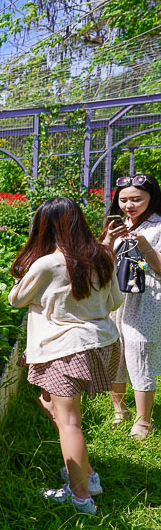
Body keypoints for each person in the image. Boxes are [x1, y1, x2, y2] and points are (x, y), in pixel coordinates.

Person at [9, 197, 123, 515]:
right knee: (48, 403)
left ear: (44, 228)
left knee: (69, 422)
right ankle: (86, 474)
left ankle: (82, 496)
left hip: (65, 349)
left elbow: (16, 299)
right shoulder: (102, 255)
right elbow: (114, 301)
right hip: (102, 343)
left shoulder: (47, 264)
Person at [101, 173, 161, 440]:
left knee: (139, 350)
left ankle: (143, 421)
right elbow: (103, 263)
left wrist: (145, 245)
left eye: (137, 199)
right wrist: (108, 242)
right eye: (124, 200)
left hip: (149, 299)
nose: (129, 205)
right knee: (116, 351)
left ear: (152, 198)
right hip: (118, 299)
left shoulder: (158, 227)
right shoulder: (119, 224)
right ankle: (119, 411)